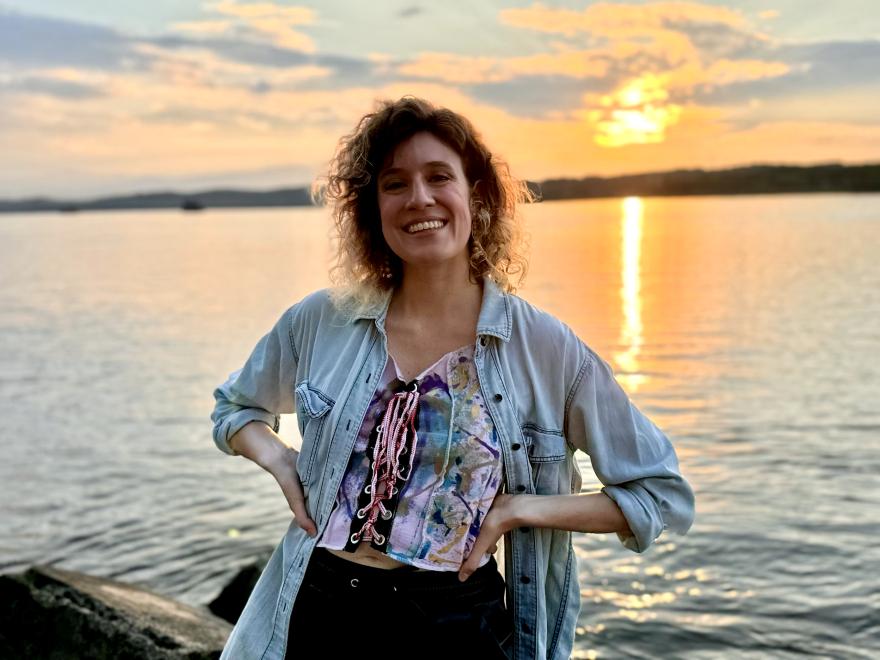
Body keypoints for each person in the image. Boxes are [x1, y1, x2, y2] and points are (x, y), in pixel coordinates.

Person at [211, 97, 694, 660]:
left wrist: (522, 509)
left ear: (477, 195)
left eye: (439, 176)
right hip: (317, 607)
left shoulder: (543, 346)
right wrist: (281, 461)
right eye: (394, 183)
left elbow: (662, 496)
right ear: (374, 208)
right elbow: (235, 409)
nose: (419, 198)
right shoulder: (322, 320)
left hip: (455, 621)